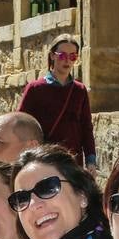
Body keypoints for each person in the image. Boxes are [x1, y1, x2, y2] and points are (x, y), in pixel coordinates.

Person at [16, 33, 97, 170]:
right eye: (62, 56)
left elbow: (86, 128)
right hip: (43, 160)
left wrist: (91, 160)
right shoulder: (35, 88)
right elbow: (21, 124)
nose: (67, 61)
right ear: (53, 55)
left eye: (72, 56)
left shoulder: (79, 90)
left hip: (72, 162)